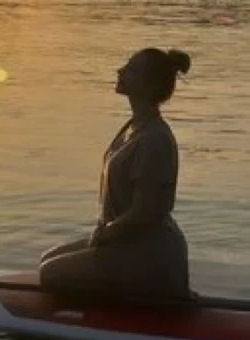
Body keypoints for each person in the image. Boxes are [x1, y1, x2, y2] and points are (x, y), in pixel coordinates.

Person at [39, 48, 192, 299]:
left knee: (49, 273)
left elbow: (144, 212)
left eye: (131, 69)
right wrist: (106, 233)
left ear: (150, 85)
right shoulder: (135, 126)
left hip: (150, 255)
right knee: (47, 259)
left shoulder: (154, 139)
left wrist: (107, 232)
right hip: (126, 242)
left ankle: (134, 306)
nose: (120, 71)